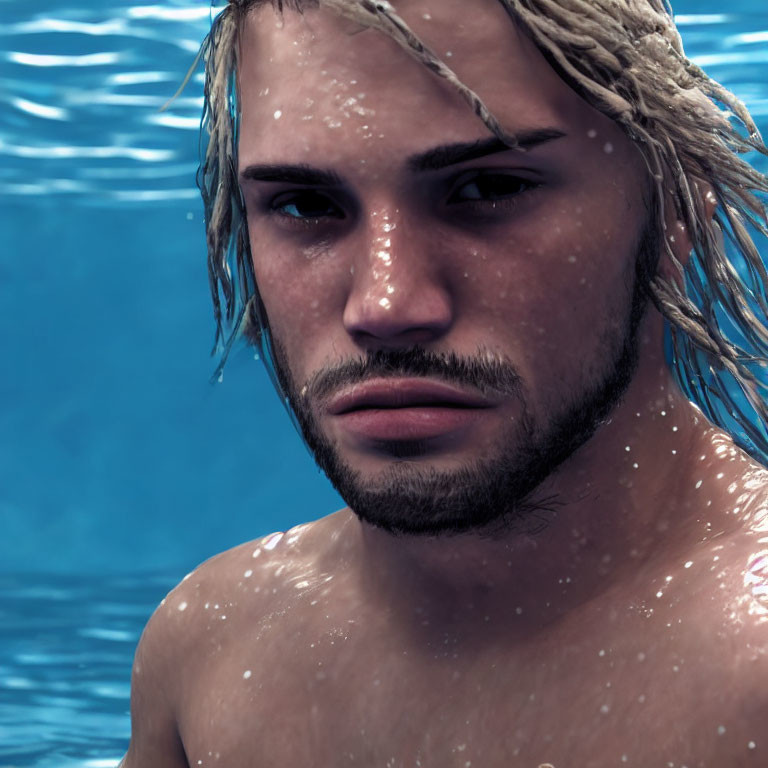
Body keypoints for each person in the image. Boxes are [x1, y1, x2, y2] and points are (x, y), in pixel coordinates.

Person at [121, 0, 768, 765]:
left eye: (487, 189)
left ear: (675, 209)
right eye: (306, 205)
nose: (386, 305)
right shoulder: (208, 651)